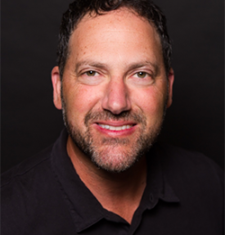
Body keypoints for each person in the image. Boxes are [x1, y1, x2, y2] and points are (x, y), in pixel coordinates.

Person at [0, 0, 224, 234]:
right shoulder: (6, 216)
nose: (116, 104)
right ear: (58, 89)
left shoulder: (211, 185)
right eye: (92, 73)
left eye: (140, 74)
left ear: (168, 88)